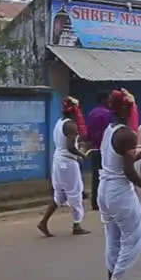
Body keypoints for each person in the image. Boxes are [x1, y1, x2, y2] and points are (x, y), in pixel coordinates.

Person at [97, 89, 141, 280]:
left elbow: (122, 159)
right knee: (135, 238)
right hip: (118, 191)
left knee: (113, 238)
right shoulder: (126, 134)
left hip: (105, 190)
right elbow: (128, 171)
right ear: (126, 108)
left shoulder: (110, 129)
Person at [38, 96, 91, 237]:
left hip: (58, 161)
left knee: (60, 195)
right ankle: (77, 224)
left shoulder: (59, 122)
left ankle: (43, 222)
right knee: (75, 193)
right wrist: (83, 154)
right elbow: (70, 147)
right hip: (68, 163)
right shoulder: (71, 125)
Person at [85, 93, 111, 210]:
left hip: (94, 148)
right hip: (104, 149)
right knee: (106, 176)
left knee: (96, 176)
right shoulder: (107, 114)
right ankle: (103, 201)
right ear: (105, 99)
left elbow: (88, 132)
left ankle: (95, 202)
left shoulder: (92, 113)